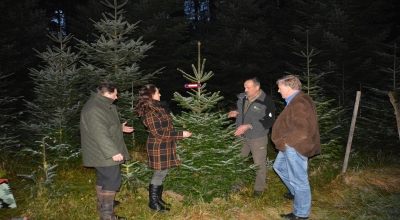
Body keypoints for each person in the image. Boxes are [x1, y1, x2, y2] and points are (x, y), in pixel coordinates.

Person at [80, 82, 133, 220]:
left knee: (104, 178)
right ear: (106, 94)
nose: (116, 97)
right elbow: (100, 133)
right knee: (111, 179)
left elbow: (103, 126)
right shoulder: (95, 108)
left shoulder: (99, 105)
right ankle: (107, 215)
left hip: (100, 151)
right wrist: (113, 152)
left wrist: (119, 128)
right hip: (103, 152)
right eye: (115, 94)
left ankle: (102, 204)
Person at [271, 75, 321, 220]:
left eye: (280, 88)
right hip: (291, 145)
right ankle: (297, 194)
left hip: (296, 146)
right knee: (279, 167)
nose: (278, 91)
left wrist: (287, 142)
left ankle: (301, 213)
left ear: (288, 87)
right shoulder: (296, 100)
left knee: (298, 179)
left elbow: (303, 130)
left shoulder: (299, 102)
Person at [136, 84, 192, 212]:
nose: (160, 94)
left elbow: (166, 128)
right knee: (159, 172)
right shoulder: (150, 111)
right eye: (157, 93)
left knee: (163, 171)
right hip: (158, 145)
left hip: (165, 144)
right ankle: (153, 203)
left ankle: (158, 199)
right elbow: (159, 133)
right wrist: (180, 134)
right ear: (151, 95)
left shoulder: (158, 108)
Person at [228, 77, 275, 196]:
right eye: (244, 87)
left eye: (248, 87)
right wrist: (236, 113)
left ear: (257, 87)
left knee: (259, 164)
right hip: (241, 136)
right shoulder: (242, 98)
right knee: (238, 162)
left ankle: (259, 189)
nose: (245, 89)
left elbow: (268, 121)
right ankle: (236, 186)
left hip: (257, 138)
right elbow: (244, 112)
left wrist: (249, 126)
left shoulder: (266, 101)